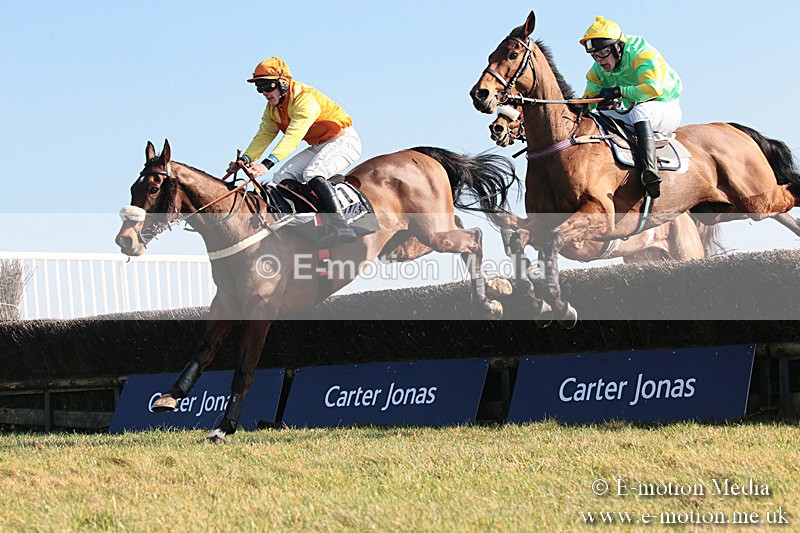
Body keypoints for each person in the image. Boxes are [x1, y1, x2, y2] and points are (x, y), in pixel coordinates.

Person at [228, 57, 361, 243]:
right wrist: (246, 159)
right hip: (319, 145)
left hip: (343, 140)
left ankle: (341, 225)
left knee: (313, 173)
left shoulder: (304, 99)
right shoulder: (272, 109)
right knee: (281, 178)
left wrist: (267, 164)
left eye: (268, 86)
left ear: (283, 84)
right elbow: (263, 135)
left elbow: (293, 136)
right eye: (259, 88)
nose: (264, 92)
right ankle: (310, 221)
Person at [580, 16, 683, 199]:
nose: (599, 60)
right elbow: (588, 101)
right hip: (632, 114)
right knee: (600, 116)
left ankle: (650, 173)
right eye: (594, 55)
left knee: (639, 111)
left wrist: (620, 92)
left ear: (617, 47)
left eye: (603, 53)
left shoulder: (642, 54)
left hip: (665, 107)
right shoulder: (597, 71)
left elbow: (653, 88)